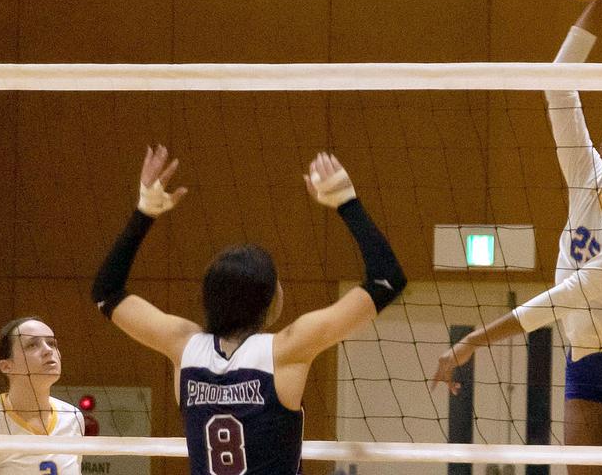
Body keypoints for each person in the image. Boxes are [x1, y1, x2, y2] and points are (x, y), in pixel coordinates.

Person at [433, 0, 602, 475]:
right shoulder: (586, 177)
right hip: (586, 364)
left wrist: (474, 338)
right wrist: (601, 0)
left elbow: (571, 296)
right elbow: (558, 86)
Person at [92, 146, 406, 475]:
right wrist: (347, 202)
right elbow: (387, 280)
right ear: (271, 299)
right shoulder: (287, 348)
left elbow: (106, 291)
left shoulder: (183, 346)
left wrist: (145, 211)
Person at [0, 317, 84, 475]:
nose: (48, 350)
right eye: (32, 345)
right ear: (6, 366)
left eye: (52, 343)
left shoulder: (72, 416)